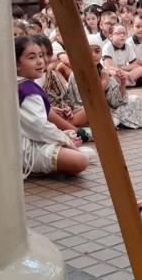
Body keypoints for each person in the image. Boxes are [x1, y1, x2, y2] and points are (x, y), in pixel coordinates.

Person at [15, 36, 95, 177]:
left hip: (32, 137)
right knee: (80, 160)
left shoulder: (20, 83)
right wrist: (63, 139)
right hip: (25, 150)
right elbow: (39, 127)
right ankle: (38, 168)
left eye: (41, 55)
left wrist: (61, 134)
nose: (40, 61)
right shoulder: (26, 89)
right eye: (32, 57)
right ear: (16, 64)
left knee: (85, 114)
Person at [87, 34, 142, 130]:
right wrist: (104, 81)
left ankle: (114, 121)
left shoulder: (103, 72)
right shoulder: (78, 74)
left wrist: (122, 83)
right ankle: (111, 123)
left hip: (109, 108)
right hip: (90, 110)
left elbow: (115, 102)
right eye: (89, 51)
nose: (93, 55)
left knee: (134, 99)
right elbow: (85, 101)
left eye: (97, 51)